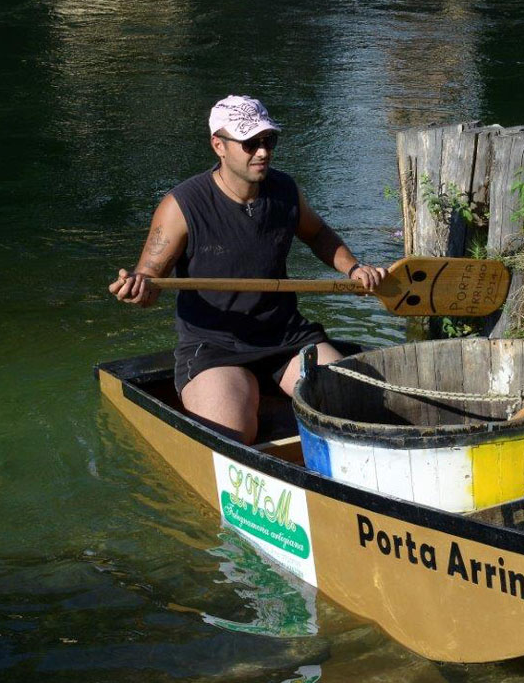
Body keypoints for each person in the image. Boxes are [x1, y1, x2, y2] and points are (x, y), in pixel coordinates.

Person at [109, 95, 386, 444]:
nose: (263, 152)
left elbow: (317, 234)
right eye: (250, 143)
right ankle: (249, 402)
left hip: (286, 337)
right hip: (214, 346)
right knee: (235, 434)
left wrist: (353, 267)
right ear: (219, 146)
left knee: (354, 403)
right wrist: (138, 289)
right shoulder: (181, 205)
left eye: (269, 140)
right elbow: (149, 277)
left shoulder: (285, 191)